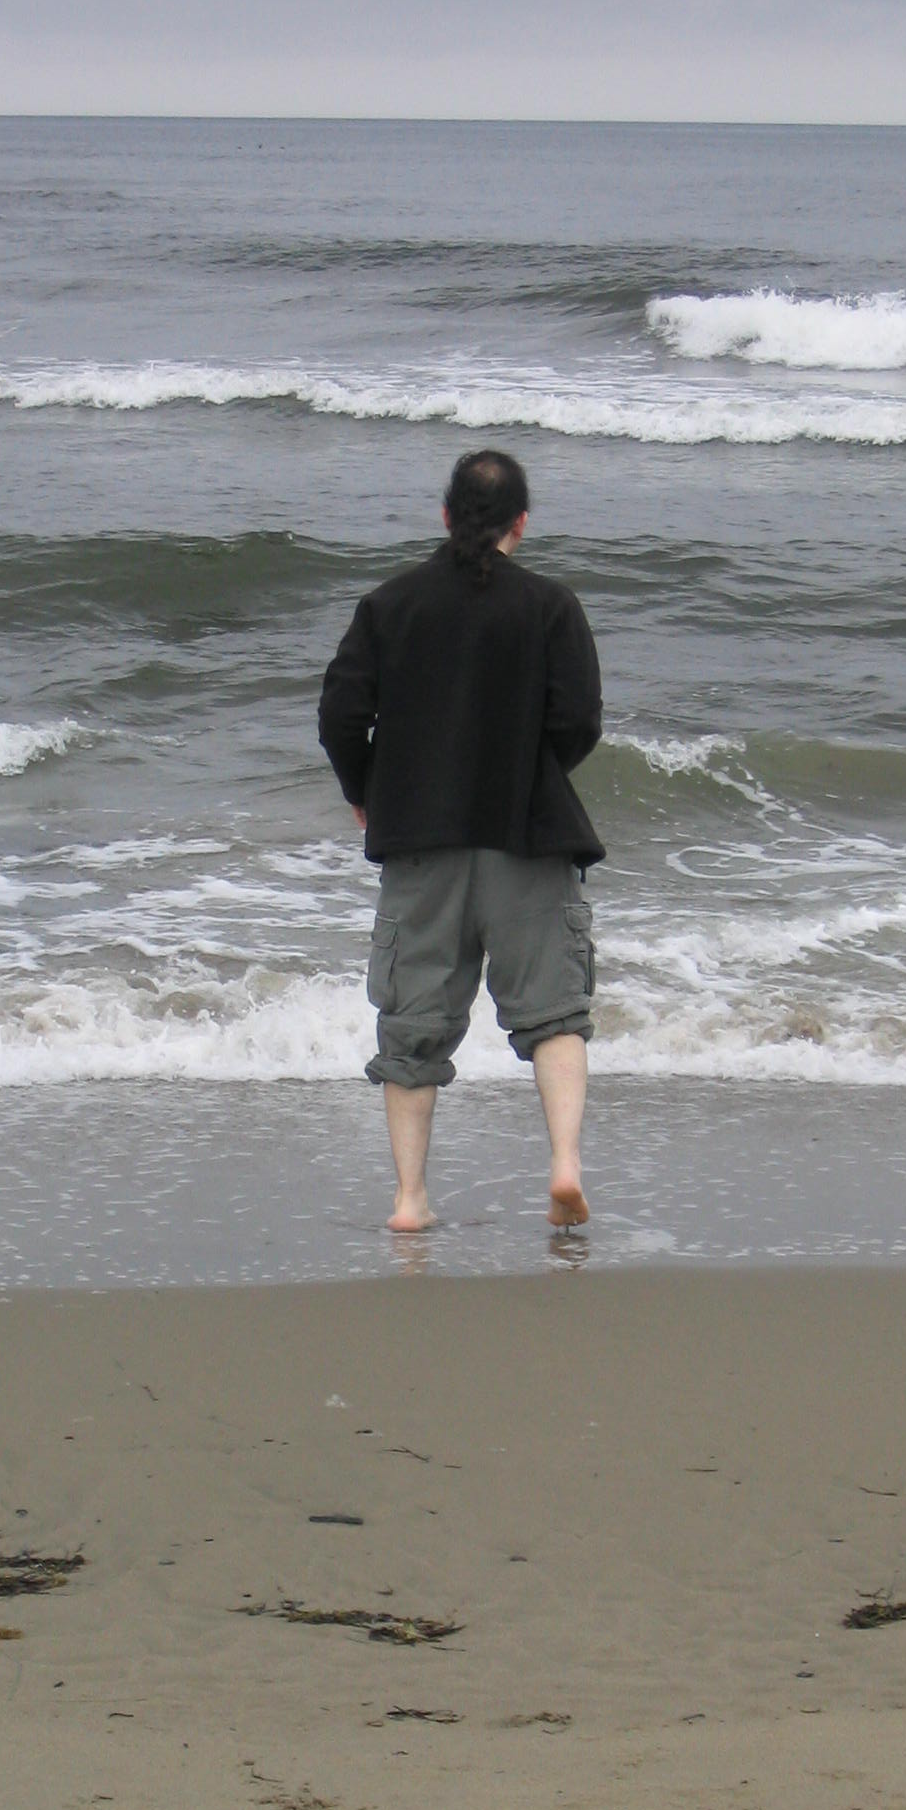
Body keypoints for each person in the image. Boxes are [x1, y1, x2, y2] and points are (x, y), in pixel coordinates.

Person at [318, 449, 604, 1234]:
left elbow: (341, 712)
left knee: (412, 1031)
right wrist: (532, 774)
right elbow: (579, 719)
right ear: (522, 524)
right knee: (555, 1015)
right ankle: (564, 1165)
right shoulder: (551, 606)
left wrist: (363, 789)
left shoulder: (390, 604)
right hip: (527, 839)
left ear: (446, 516)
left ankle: (410, 1200)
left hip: (422, 844)